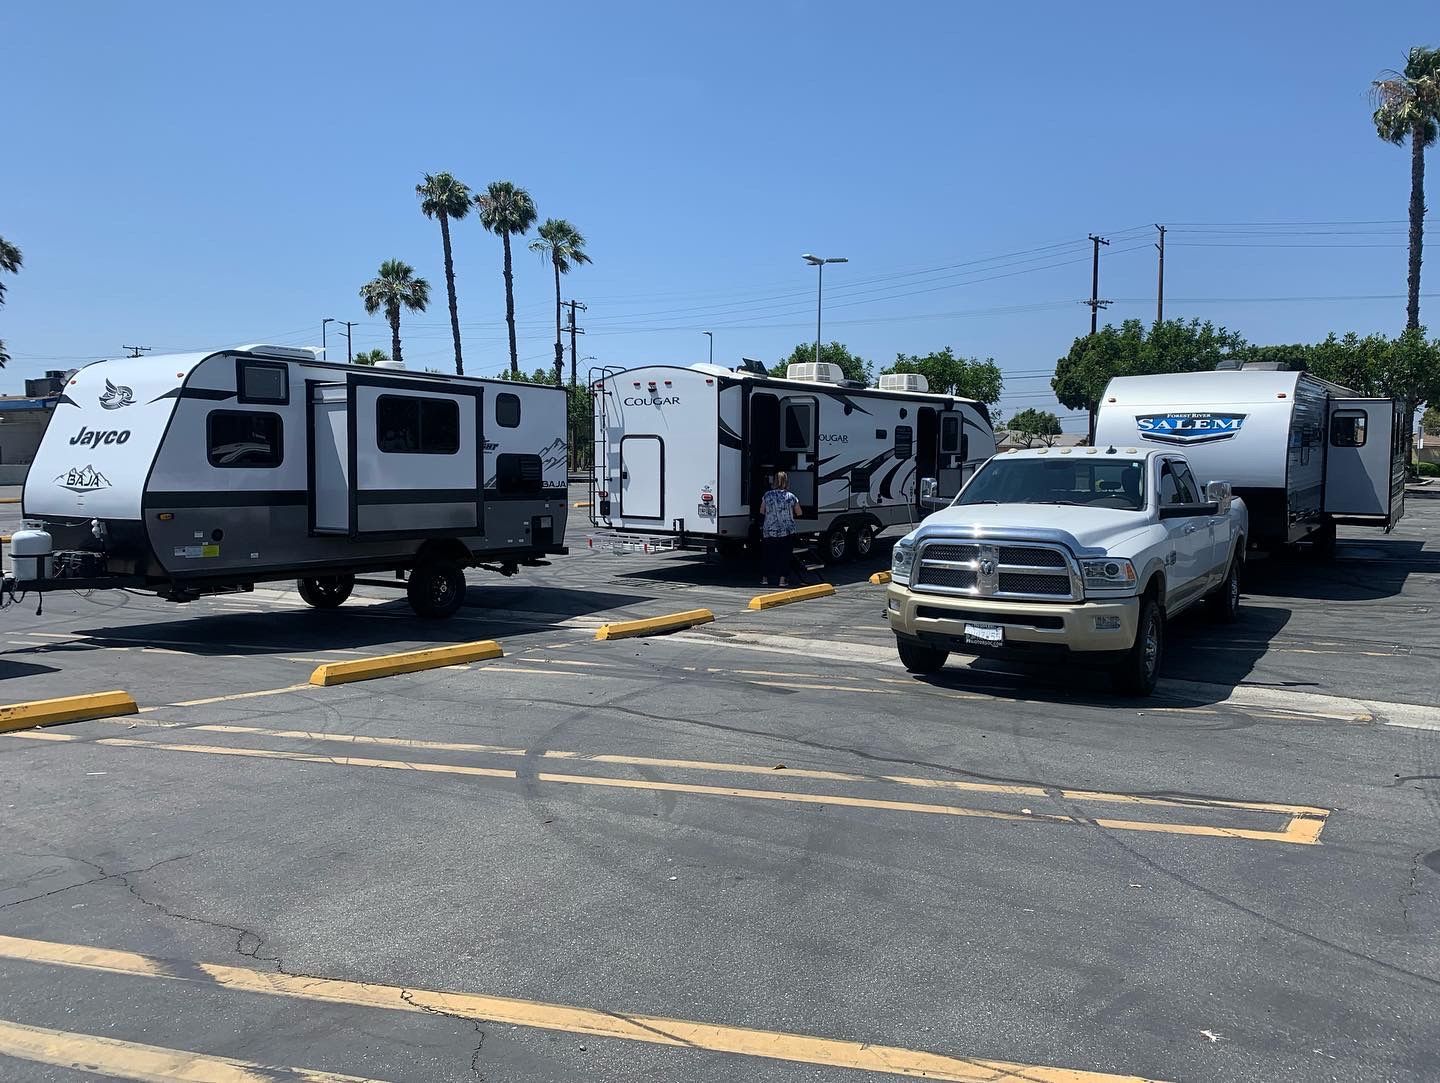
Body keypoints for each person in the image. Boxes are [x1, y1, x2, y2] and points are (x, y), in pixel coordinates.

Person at [760, 470, 800, 587]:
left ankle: (764, 578)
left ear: (774, 481)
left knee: (767, 555)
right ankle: (782, 580)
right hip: (786, 531)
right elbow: (799, 512)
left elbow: (762, 511)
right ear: (786, 482)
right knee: (784, 556)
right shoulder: (791, 496)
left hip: (769, 530)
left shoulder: (767, 495)